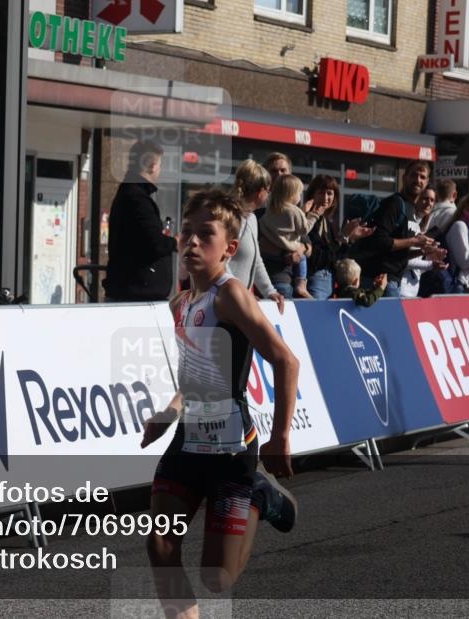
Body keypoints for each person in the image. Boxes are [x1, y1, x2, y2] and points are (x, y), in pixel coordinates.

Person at [141, 189, 299, 618]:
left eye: (204, 235)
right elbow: (193, 378)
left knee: (217, 577)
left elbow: (286, 361)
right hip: (187, 440)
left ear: (229, 248)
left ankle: (261, 496)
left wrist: (279, 437)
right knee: (159, 545)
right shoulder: (182, 301)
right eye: (185, 233)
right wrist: (167, 413)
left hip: (231, 448)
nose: (191, 242)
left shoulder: (231, 296)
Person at [103, 141, 177, 301]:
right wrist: (175, 242)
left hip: (133, 292)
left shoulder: (130, 194)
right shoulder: (137, 198)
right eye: (160, 165)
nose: (160, 171)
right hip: (135, 296)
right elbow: (154, 243)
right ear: (151, 166)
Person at [352, 161, 438, 298]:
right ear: (404, 178)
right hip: (378, 282)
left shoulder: (411, 209)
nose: (418, 180)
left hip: (393, 282)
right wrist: (414, 241)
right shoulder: (395, 203)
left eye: (422, 177)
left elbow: (398, 254)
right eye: (414, 175)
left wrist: (422, 250)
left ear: (427, 182)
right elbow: (380, 241)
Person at [228, 160, 286, 312]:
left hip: (239, 304)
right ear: (260, 192)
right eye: (268, 190)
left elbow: (257, 261)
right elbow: (220, 263)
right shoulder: (231, 218)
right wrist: (241, 293)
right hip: (225, 305)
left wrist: (270, 292)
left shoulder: (252, 218)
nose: (269, 195)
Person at [303, 175, 373, 299]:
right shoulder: (307, 219)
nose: (325, 198)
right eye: (321, 193)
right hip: (314, 281)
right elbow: (317, 258)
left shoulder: (326, 221)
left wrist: (349, 239)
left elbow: (335, 257)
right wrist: (343, 236)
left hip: (328, 282)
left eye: (329, 193)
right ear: (312, 195)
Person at [261, 152, 310, 298]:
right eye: (274, 171)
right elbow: (257, 242)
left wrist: (300, 249)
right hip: (272, 279)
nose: (279, 175)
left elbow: (307, 243)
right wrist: (285, 252)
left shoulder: (295, 209)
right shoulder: (259, 206)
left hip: (292, 280)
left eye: (283, 170)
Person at [400, 187, 446, 298]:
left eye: (432, 200)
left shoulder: (421, 227)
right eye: (425, 198)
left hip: (413, 290)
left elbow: (417, 269)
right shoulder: (408, 224)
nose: (428, 203)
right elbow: (403, 260)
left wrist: (432, 257)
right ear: (417, 199)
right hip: (400, 289)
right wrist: (430, 265)